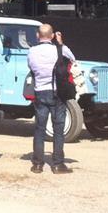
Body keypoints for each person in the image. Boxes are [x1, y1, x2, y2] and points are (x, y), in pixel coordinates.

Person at [27, 23, 74, 175]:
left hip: (40, 91)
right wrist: (60, 44)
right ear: (53, 36)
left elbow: (31, 68)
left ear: (37, 36)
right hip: (57, 92)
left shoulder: (31, 51)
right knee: (58, 129)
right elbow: (73, 59)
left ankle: (38, 164)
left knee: (39, 128)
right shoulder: (59, 49)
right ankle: (58, 164)